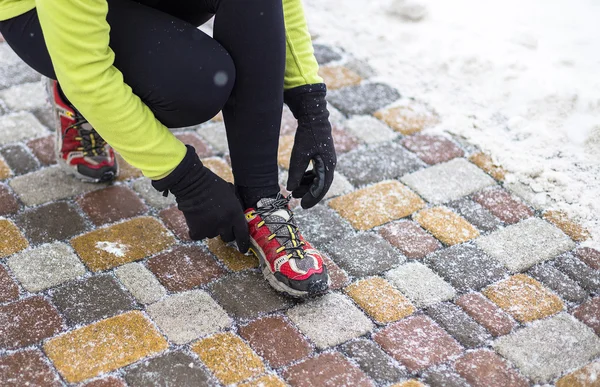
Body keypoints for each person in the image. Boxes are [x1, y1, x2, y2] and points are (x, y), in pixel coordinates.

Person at [0, 0, 337, 297]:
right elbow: (87, 72)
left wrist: (310, 105)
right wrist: (187, 180)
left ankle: (261, 203)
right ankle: (73, 93)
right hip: (38, 13)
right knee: (196, 83)